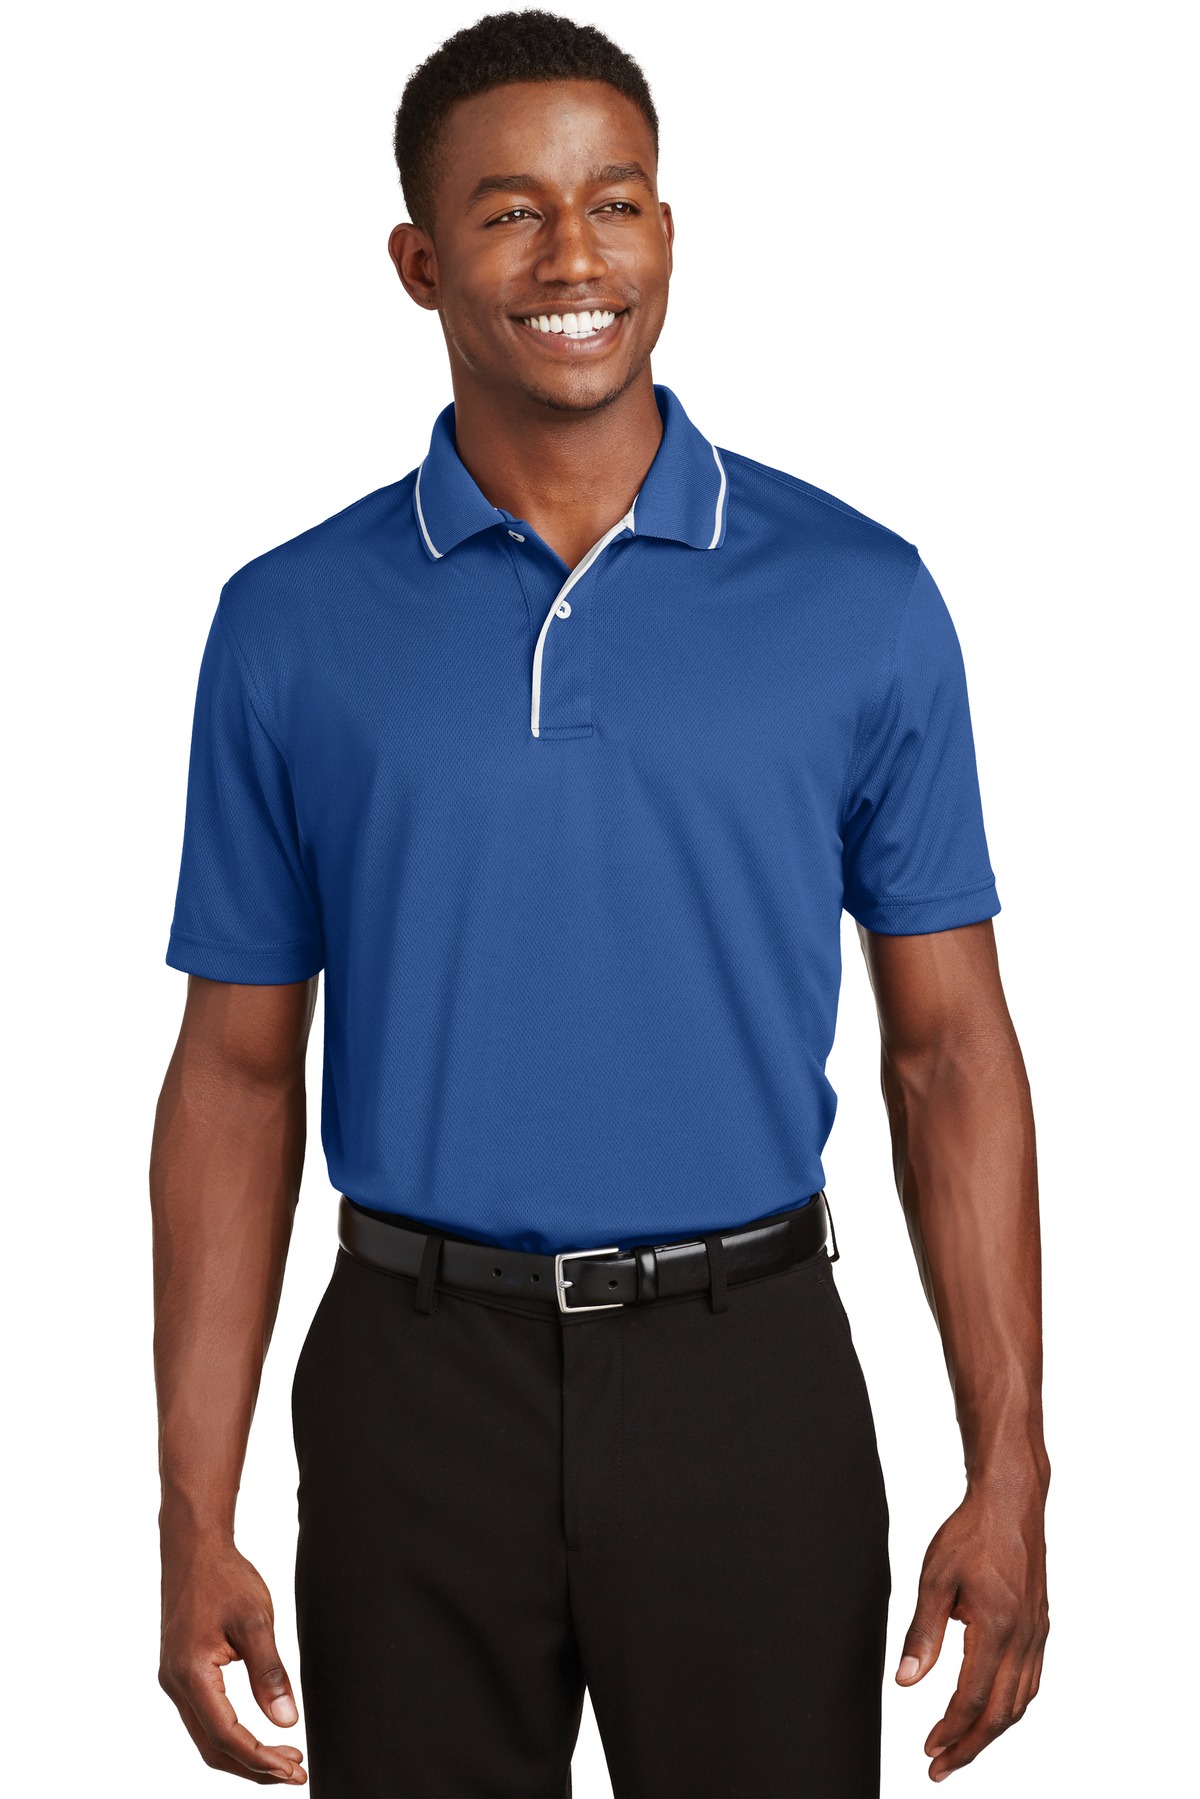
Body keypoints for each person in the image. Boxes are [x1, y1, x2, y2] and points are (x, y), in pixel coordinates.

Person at [151, 11, 1050, 1796]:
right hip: (412, 1391)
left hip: (752, 1386)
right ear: (419, 261)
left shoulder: (862, 599)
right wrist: (193, 1509)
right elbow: (237, 1077)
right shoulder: (286, 622)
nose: (575, 256)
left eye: (615, 203)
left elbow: (949, 1054)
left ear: (667, 231)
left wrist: (1011, 1464)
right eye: (510, 212)